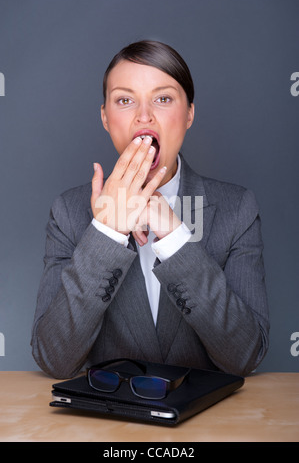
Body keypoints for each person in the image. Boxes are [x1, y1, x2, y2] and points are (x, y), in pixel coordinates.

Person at [31, 40, 269, 379]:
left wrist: (173, 236)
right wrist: (108, 232)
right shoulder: (68, 212)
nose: (144, 116)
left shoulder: (237, 209)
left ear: (189, 114)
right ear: (105, 117)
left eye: (163, 98)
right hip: (109, 425)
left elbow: (246, 356)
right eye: (125, 100)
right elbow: (54, 358)